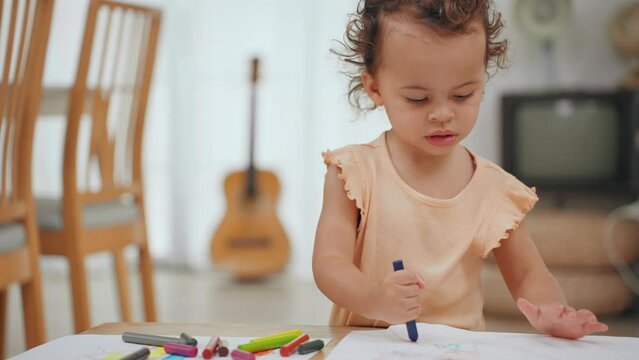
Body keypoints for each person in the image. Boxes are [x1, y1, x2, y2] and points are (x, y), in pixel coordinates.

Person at [312, 0, 608, 340]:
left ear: (482, 82)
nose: (442, 114)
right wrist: (375, 299)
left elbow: (528, 274)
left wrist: (553, 312)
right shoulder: (353, 173)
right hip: (369, 346)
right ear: (375, 87)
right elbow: (329, 264)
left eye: (462, 95)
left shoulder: (493, 189)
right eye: (418, 99)